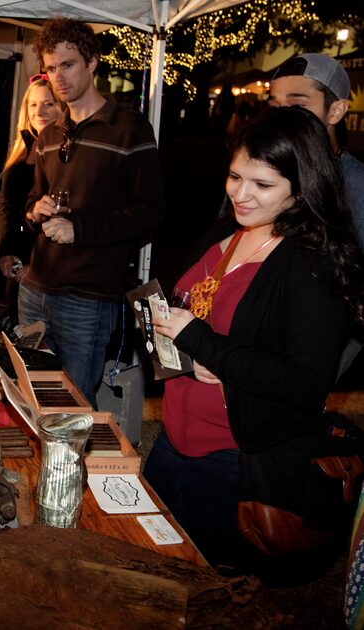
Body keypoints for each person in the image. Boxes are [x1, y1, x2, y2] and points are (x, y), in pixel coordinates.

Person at [144, 106, 364, 567]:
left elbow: (306, 384)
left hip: (232, 463)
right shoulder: (227, 228)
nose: (240, 194)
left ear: (302, 189)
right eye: (234, 176)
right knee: (153, 574)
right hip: (171, 447)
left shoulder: (310, 263)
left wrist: (205, 344)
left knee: (213, 593)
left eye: (262, 185)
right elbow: (193, 309)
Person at [22, 18, 163, 409]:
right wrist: (35, 210)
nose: (57, 77)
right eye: (51, 68)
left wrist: (79, 230)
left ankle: (68, 472)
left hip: (88, 297)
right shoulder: (50, 134)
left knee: (73, 408)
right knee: (31, 395)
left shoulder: (129, 128)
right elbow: (31, 201)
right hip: (35, 288)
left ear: (93, 62)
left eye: (67, 65)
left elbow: (150, 212)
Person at [269, 53, 364, 376]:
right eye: (274, 105)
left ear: (336, 110)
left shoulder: (356, 186)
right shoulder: (257, 175)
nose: (282, 117)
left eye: (297, 105)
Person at [0, 74, 63, 308]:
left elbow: (62, 216)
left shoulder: (65, 153)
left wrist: (37, 266)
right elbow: (7, 209)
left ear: (62, 108)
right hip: (16, 264)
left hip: (48, 270)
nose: (39, 112)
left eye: (49, 103)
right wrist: (5, 253)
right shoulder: (21, 149)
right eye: (33, 104)